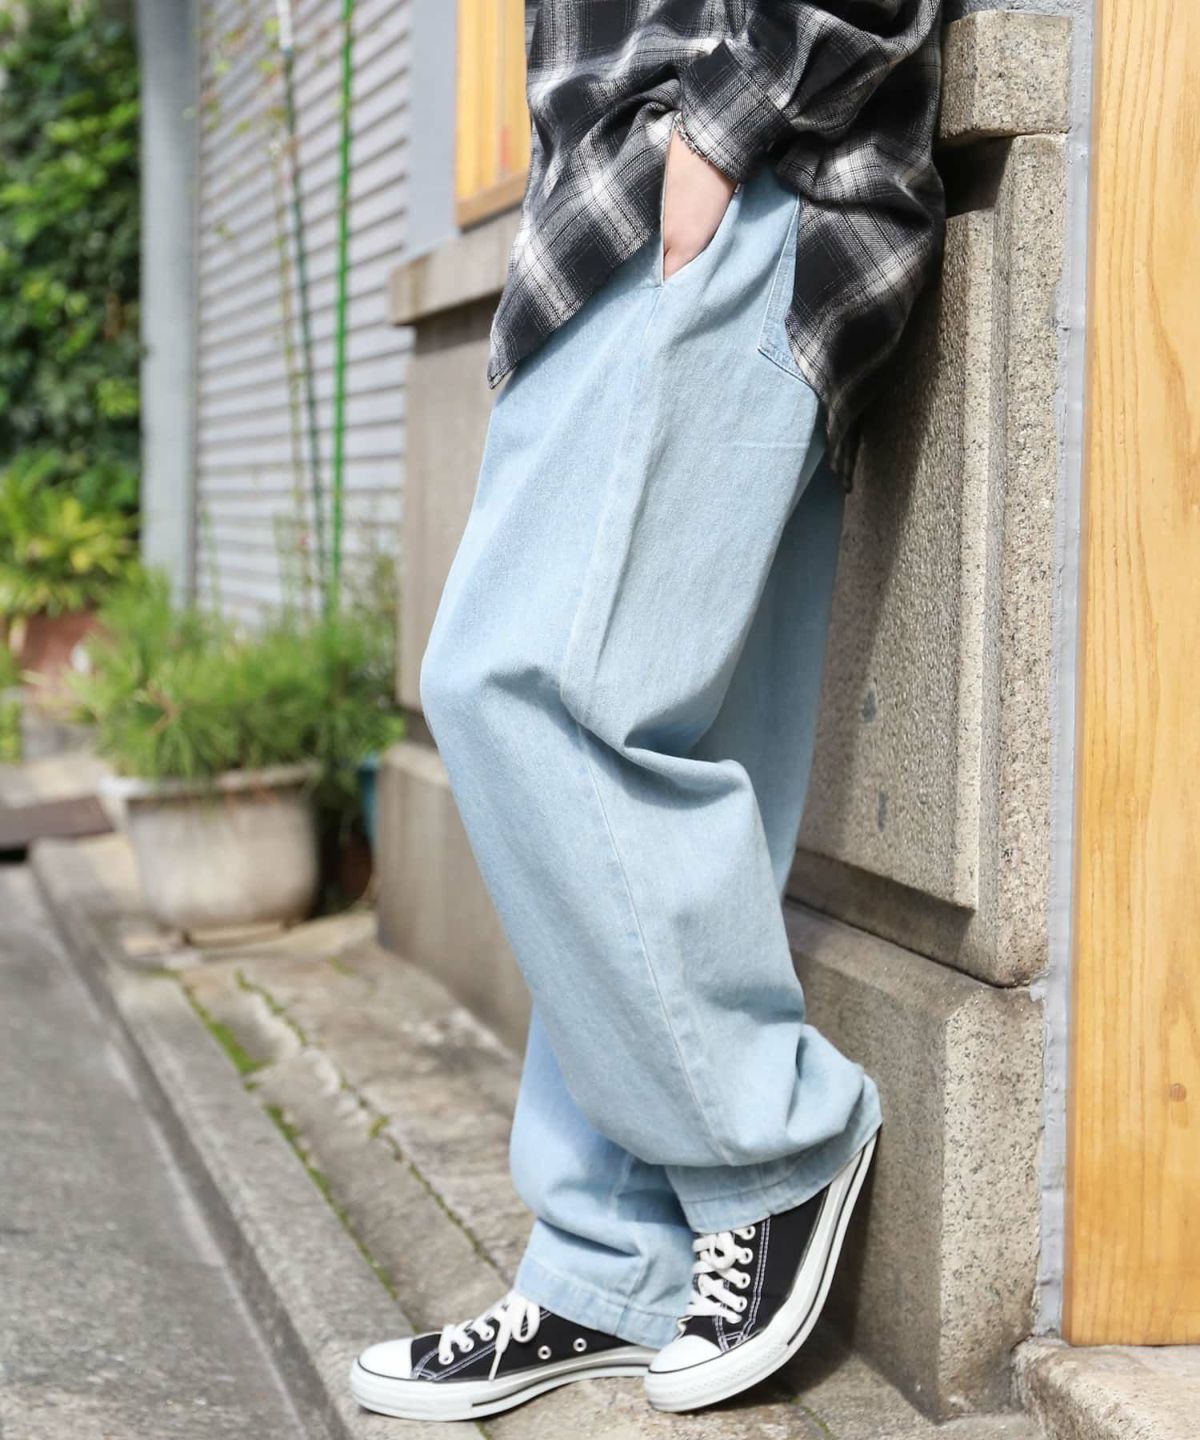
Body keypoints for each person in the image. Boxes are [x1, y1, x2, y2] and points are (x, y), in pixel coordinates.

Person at [352, 0, 945, 1421]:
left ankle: (774, 1142)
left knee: (516, 688)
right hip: (643, 195)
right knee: (646, 758)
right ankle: (610, 1262)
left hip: (723, 174)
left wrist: (724, 129)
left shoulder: (714, 154)